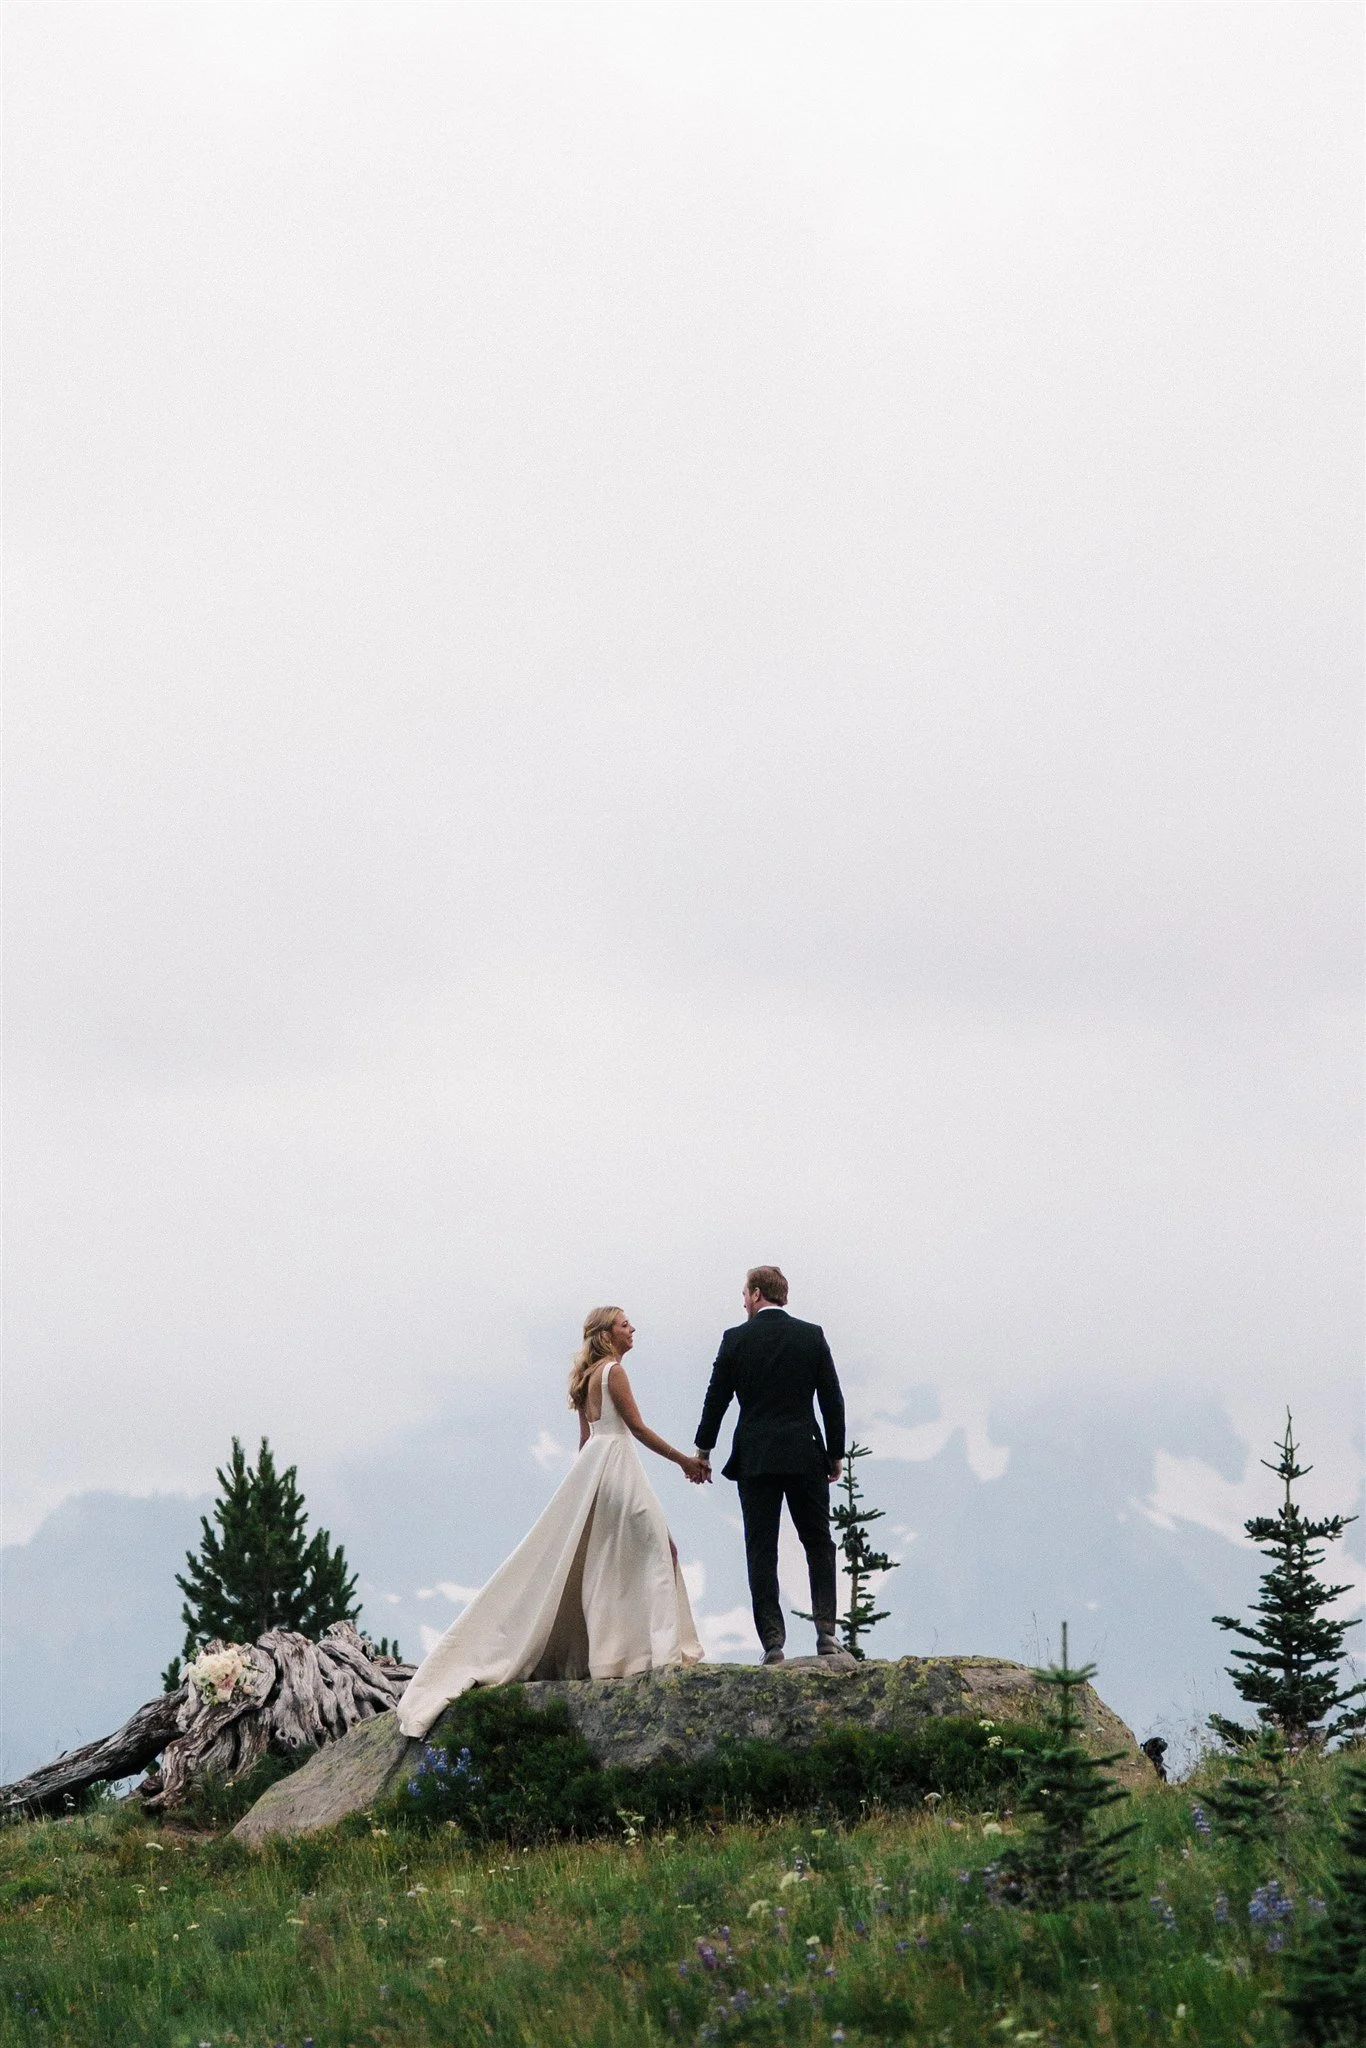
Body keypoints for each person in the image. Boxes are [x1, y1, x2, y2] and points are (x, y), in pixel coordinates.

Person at [396, 1307, 707, 1739]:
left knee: (605, 1560)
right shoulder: (614, 1372)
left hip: (596, 1468)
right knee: (658, 1549)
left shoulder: (584, 1378)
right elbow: (634, 1428)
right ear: (605, 1334)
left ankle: (616, 1654)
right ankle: (657, 1652)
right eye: (624, 1324)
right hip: (619, 1466)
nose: (632, 1329)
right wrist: (684, 1461)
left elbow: (584, 1441)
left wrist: (581, 1489)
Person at [693, 1266, 845, 1665]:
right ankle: (826, 1633)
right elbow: (832, 1399)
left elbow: (717, 1399)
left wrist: (704, 1450)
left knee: (761, 1548)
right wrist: (835, 1453)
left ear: (757, 1294)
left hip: (756, 1457)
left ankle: (773, 1644)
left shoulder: (735, 1340)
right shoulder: (811, 1336)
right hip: (804, 1453)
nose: (743, 1301)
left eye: (744, 1293)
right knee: (817, 1542)